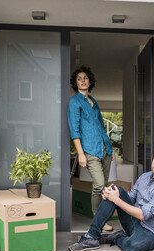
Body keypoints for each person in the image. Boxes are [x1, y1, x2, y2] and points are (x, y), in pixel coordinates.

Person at [68, 146, 154, 251]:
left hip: (151, 232)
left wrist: (115, 199)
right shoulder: (144, 177)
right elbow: (130, 197)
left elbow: (143, 215)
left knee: (132, 249)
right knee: (115, 190)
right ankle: (91, 236)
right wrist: (109, 194)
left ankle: (117, 238)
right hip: (133, 222)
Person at [67, 66, 115, 231]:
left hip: (105, 149)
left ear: (90, 81)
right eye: (79, 78)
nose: (82, 80)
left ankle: (102, 218)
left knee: (105, 186)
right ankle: (98, 219)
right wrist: (80, 153)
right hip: (90, 150)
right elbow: (75, 129)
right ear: (75, 83)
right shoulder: (74, 101)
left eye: (85, 78)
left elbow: (101, 125)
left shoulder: (93, 101)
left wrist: (110, 148)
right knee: (99, 184)